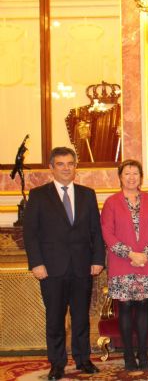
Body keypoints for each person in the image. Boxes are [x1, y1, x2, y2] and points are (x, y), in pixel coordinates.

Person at [23, 147, 104, 381]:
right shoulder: (38, 195)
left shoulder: (88, 194)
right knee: (55, 318)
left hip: (82, 266)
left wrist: (98, 259)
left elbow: (95, 231)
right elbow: (31, 234)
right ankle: (57, 363)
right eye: (61, 164)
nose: (66, 168)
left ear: (75, 167)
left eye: (70, 163)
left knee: (81, 316)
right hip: (51, 269)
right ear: (51, 167)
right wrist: (36, 263)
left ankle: (83, 359)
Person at [101, 159, 148, 371]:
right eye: (127, 173)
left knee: (144, 307)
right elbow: (107, 233)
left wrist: (144, 254)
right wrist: (129, 254)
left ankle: (143, 354)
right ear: (120, 177)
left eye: (135, 173)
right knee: (125, 308)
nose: (131, 177)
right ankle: (128, 354)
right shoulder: (111, 202)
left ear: (141, 177)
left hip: (146, 262)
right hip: (122, 262)